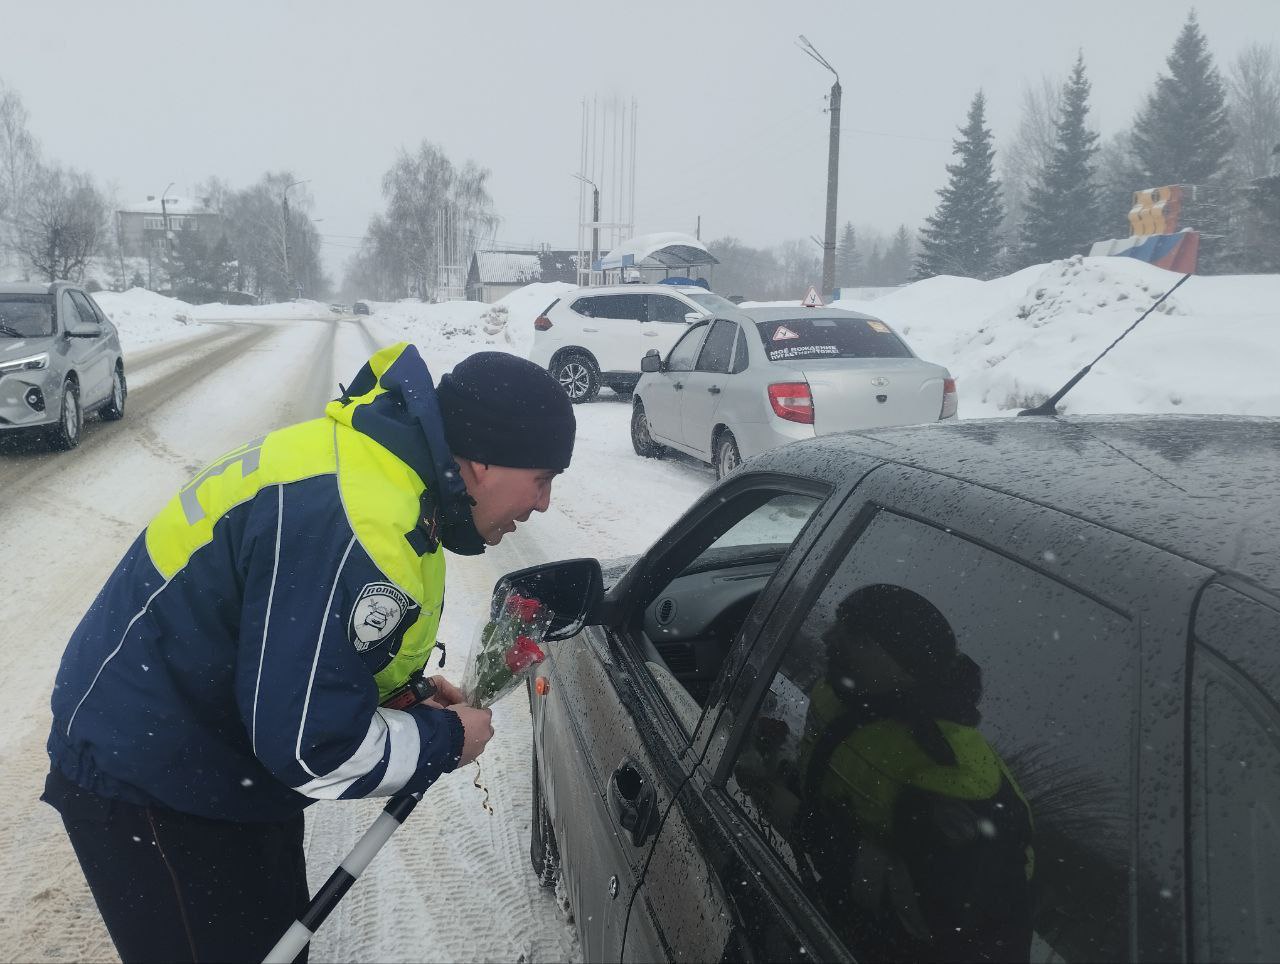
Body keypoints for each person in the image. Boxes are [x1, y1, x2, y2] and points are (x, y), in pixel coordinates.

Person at [41, 342, 576, 963]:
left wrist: (410, 700)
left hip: (215, 753)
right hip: (156, 782)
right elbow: (311, 748)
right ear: (483, 463)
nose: (543, 504)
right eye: (542, 479)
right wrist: (445, 742)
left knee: (273, 944)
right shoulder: (359, 518)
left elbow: (300, 645)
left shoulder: (381, 472)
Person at [793, 584, 1035, 963]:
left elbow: (933, 916)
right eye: (838, 623)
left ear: (903, 665)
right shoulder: (847, 693)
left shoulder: (955, 776)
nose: (828, 637)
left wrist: (804, 825)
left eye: (854, 634)